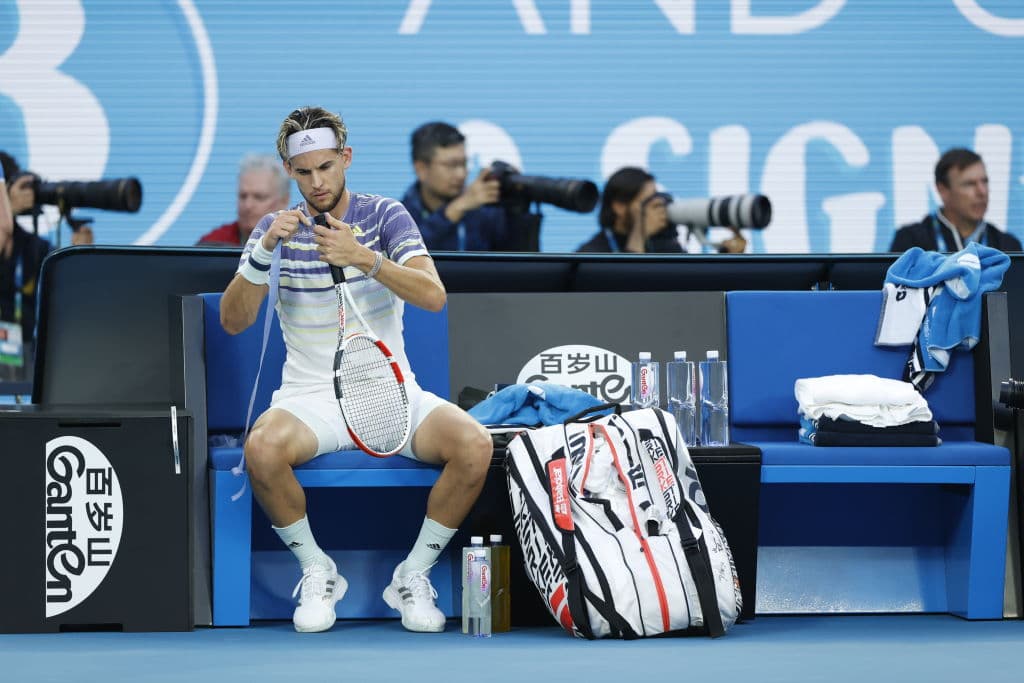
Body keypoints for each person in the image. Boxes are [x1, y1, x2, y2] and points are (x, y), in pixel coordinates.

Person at [219, 106, 492, 634]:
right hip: (310, 399)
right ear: (288, 172)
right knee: (262, 449)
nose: (317, 182)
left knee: (474, 445)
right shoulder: (272, 231)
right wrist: (264, 251)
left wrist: (362, 256)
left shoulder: (387, 215)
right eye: (304, 172)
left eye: (326, 167)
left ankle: (413, 574)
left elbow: (433, 296)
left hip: (392, 392)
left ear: (346, 158)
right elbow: (233, 321)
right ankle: (317, 568)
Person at [0, 152, 93, 374]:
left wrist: (79, 252)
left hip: (22, 354)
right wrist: (8, 210)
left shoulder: (34, 245)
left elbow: (71, 285)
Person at [401, 121, 532, 251]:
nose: (461, 174)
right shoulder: (396, 217)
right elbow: (404, 255)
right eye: (451, 165)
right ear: (421, 169)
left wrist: (516, 213)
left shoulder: (483, 212)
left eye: (464, 164)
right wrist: (456, 209)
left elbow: (519, 262)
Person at [577, 167, 748, 254]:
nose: (657, 205)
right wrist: (639, 234)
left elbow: (694, 291)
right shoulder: (592, 253)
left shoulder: (665, 245)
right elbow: (623, 291)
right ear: (619, 206)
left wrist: (727, 255)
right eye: (647, 201)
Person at [890, 147, 1021, 253]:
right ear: (943, 190)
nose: (982, 192)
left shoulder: (1007, 246)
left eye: (984, 182)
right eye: (969, 184)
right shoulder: (912, 242)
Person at [198, 153, 291, 245]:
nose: (248, 205)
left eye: (259, 197)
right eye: (243, 196)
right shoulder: (213, 245)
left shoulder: (300, 246)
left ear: (284, 201)